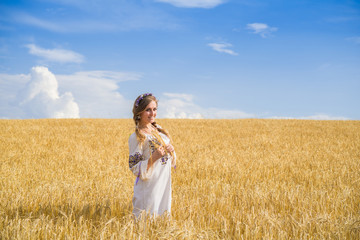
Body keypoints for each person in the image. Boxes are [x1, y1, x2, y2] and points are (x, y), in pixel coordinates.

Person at [128, 93, 176, 218]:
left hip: (163, 183)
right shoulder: (137, 137)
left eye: (154, 109)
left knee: (163, 218)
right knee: (147, 220)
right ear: (139, 112)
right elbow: (134, 168)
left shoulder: (158, 129)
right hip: (149, 188)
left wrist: (171, 151)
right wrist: (154, 157)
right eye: (148, 110)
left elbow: (168, 159)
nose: (152, 113)